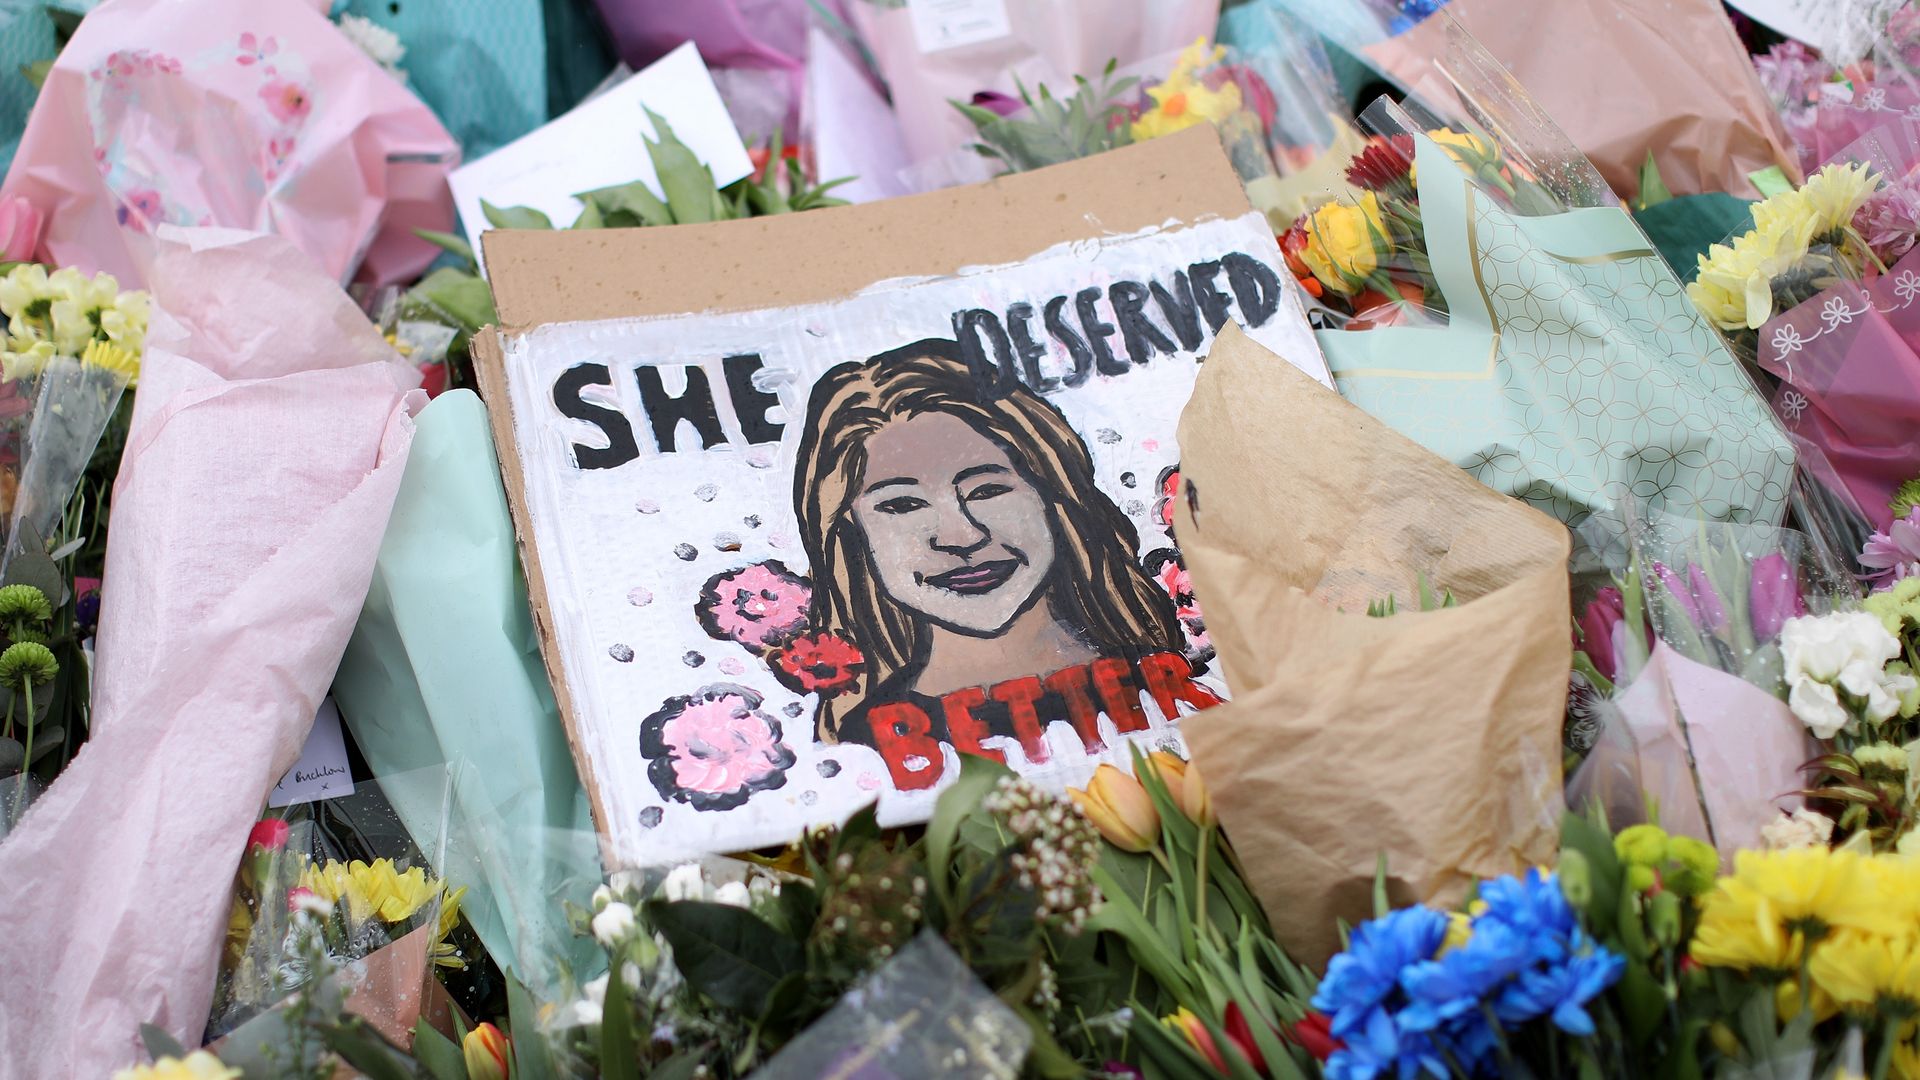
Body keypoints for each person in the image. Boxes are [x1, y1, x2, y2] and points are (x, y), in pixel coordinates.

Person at [792, 340, 1218, 773]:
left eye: (988, 490)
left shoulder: (1179, 679)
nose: (961, 536)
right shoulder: (861, 751)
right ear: (850, 531)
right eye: (902, 504)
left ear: (1052, 492)